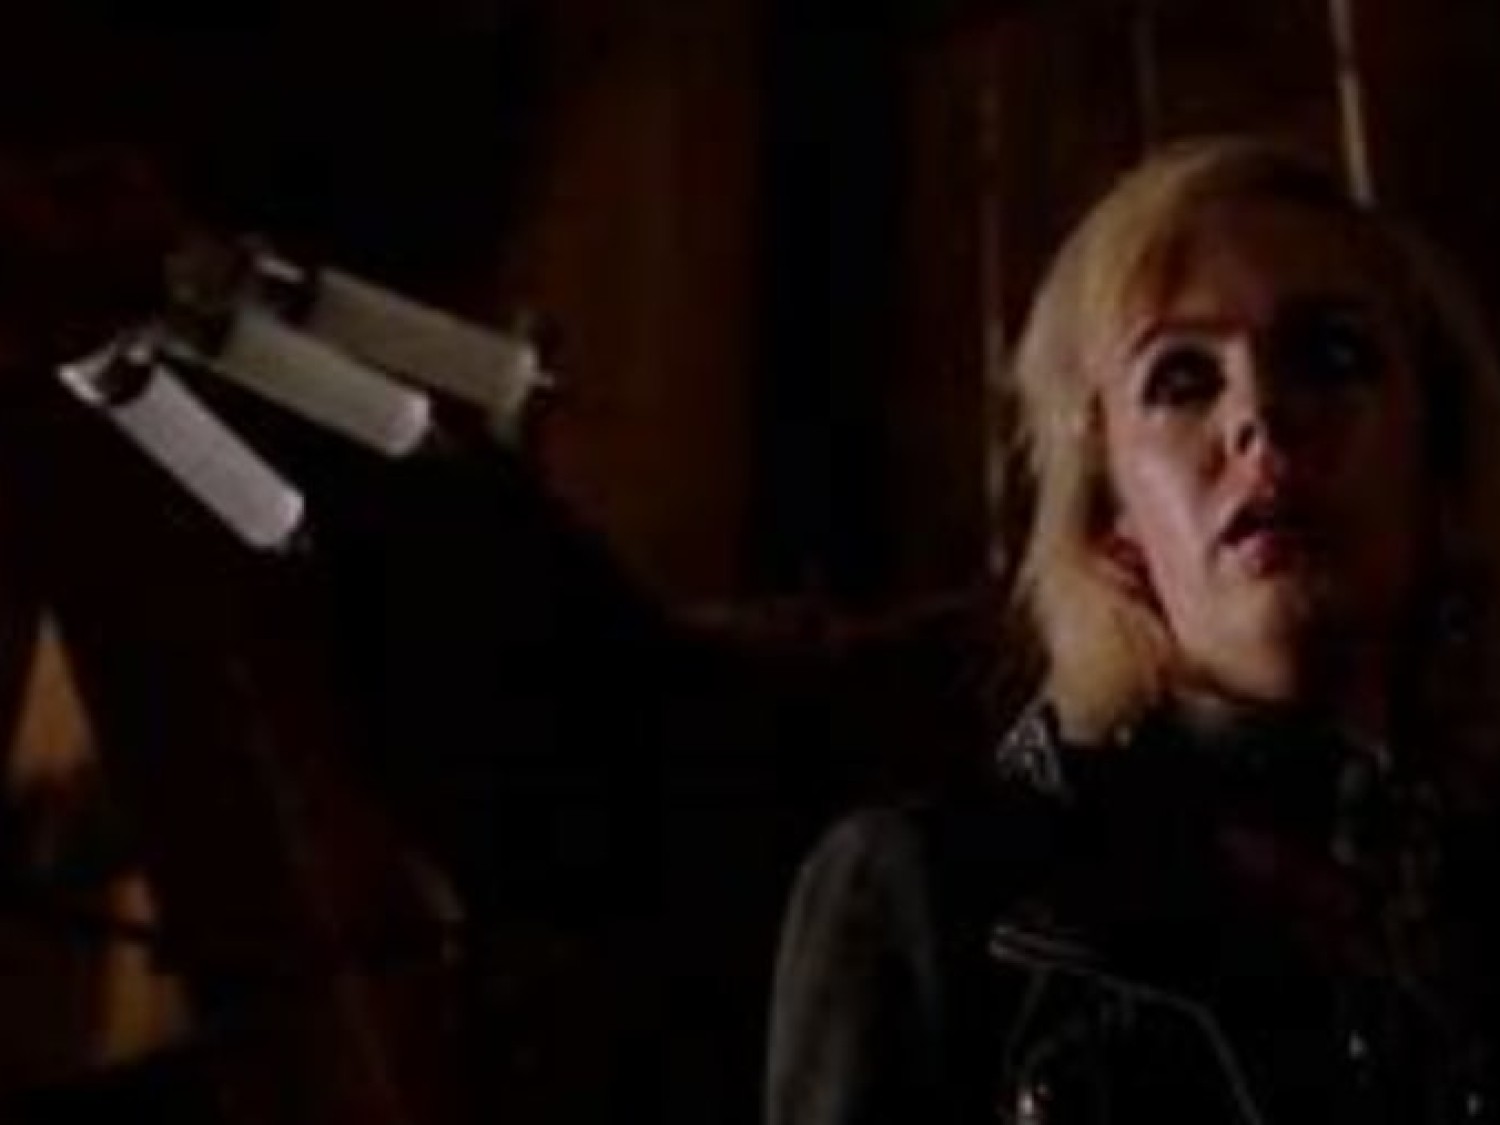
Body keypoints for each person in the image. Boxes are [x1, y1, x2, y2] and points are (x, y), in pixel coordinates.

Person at [764, 136, 1500, 1125]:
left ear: (1440, 470)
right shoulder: (939, 899)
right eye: (1182, 380)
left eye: (1331, 356)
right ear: (1111, 516)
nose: (1261, 418)